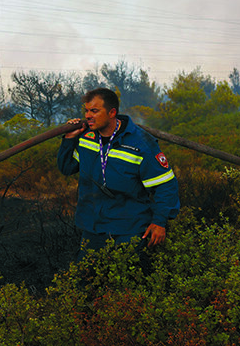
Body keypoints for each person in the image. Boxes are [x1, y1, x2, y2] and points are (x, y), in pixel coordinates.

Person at [58, 87, 180, 254]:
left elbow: (165, 185)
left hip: (129, 230)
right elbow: (67, 168)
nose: (88, 116)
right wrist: (69, 139)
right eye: (86, 111)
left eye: (94, 111)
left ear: (112, 112)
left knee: (128, 271)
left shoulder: (141, 144)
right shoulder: (86, 136)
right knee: (86, 271)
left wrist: (159, 222)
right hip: (92, 227)